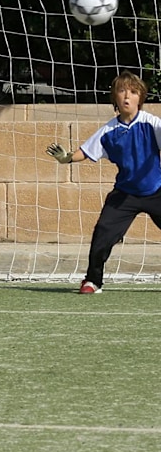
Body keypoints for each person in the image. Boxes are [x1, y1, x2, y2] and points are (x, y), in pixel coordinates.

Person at [47, 70, 161, 294]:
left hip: (156, 190)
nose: (127, 96)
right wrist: (66, 158)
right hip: (124, 195)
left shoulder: (152, 124)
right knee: (102, 235)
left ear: (141, 97)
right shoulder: (109, 130)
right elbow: (85, 151)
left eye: (133, 92)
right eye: (122, 91)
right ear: (115, 98)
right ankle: (92, 281)